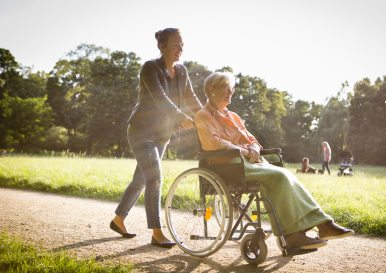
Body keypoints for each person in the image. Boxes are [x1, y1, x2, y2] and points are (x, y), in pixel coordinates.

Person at [194, 72, 354, 250]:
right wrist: (245, 151)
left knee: (285, 175)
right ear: (211, 89)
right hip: (228, 165)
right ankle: (297, 234)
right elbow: (214, 143)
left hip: (247, 162)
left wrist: (253, 147)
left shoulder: (234, 117)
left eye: (232, 88)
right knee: (279, 176)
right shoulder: (202, 116)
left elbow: (251, 139)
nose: (231, 91)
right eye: (226, 87)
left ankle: (319, 225)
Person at [110, 28, 203, 248]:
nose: (180, 49)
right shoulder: (150, 68)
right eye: (175, 45)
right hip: (141, 132)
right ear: (162, 47)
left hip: (162, 135)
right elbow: (160, 98)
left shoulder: (182, 71)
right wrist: (181, 117)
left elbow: (191, 98)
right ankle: (156, 232)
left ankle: (118, 220)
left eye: (182, 44)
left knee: (141, 179)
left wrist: (208, 116)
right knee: (155, 178)